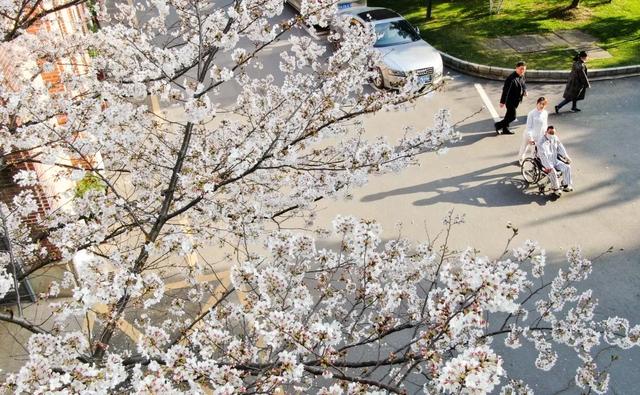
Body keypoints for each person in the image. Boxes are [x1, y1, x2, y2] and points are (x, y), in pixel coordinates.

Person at [537, 125, 573, 196]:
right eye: (550, 132)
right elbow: (543, 155)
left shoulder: (555, 138)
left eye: (553, 133)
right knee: (553, 172)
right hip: (545, 162)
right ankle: (555, 189)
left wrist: (566, 157)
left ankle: (566, 184)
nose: (552, 134)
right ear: (546, 132)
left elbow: (560, 147)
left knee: (567, 167)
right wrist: (548, 166)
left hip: (554, 160)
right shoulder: (541, 142)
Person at [495, 61, 527, 135]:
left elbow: (523, 84)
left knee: (508, 115)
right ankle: (498, 125)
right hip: (510, 101)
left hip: (516, 100)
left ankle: (505, 129)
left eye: (524, 69)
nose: (522, 71)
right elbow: (505, 90)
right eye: (521, 69)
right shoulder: (511, 79)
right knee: (512, 117)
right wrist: (502, 102)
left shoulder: (522, 75)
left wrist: (525, 90)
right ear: (516, 68)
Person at [518, 96, 548, 165]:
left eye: (544, 104)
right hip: (529, 135)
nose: (542, 106)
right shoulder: (531, 113)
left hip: (539, 136)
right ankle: (520, 158)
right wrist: (531, 138)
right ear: (537, 103)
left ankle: (533, 166)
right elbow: (529, 127)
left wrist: (546, 134)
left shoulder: (545, 113)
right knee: (524, 147)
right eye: (540, 103)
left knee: (534, 152)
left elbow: (545, 125)